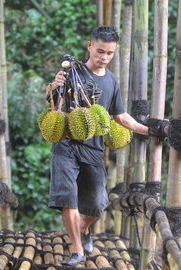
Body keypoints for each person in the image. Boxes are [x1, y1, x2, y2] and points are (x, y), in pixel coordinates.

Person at [44, 25, 150, 266]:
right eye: (100, 51)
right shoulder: (72, 72)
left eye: (110, 53)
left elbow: (121, 118)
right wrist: (54, 84)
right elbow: (51, 98)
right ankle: (77, 250)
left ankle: (84, 227)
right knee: (67, 197)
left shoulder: (112, 82)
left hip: (94, 147)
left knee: (97, 204)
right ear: (89, 46)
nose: (104, 58)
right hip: (66, 143)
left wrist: (151, 130)